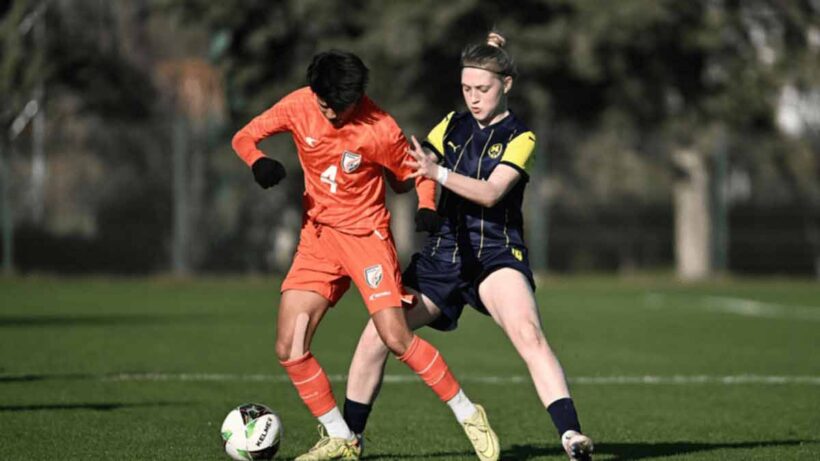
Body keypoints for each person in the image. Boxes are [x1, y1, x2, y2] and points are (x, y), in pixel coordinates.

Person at [231, 49, 498, 461]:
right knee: (290, 346)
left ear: (358, 97)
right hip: (317, 240)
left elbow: (414, 175)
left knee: (395, 337)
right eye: (326, 106)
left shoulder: (381, 128)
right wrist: (258, 161)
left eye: (342, 107)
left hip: (366, 240)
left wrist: (426, 204)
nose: (333, 115)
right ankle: (343, 439)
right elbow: (244, 136)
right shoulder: (299, 104)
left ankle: (468, 413)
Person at [342, 33, 595, 461]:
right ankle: (348, 439)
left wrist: (435, 174)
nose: (473, 98)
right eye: (466, 89)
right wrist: (383, 161)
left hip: (495, 256)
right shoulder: (451, 124)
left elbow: (492, 192)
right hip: (443, 257)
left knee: (529, 335)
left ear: (507, 85)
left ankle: (571, 435)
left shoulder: (522, 137)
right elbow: (416, 166)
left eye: (483, 89)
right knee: (376, 336)